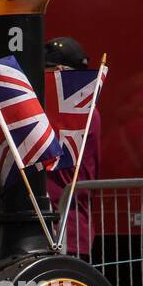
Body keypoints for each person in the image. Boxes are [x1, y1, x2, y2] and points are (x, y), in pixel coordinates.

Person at [44, 36, 101, 260]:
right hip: (75, 228)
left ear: (58, 71)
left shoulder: (45, 114)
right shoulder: (90, 112)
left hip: (59, 228)